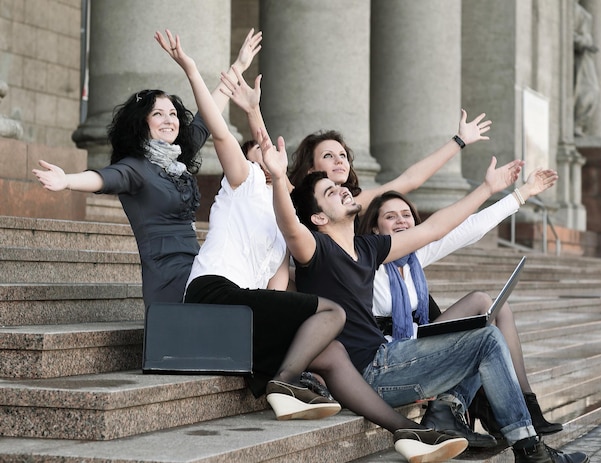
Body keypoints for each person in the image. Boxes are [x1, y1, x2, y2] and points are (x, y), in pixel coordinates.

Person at [177, 38, 472, 463]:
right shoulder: (242, 182)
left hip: (245, 310)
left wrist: (456, 143)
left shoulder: (294, 218)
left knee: (331, 349)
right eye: (260, 150)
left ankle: (407, 433)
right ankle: (285, 383)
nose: (266, 152)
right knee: (331, 312)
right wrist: (202, 73)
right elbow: (227, 132)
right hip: (213, 292)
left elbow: (278, 284)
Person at [257, 126, 588, 463]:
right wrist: (279, 176)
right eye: (330, 192)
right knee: (486, 339)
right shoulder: (316, 250)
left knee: (481, 329)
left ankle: (495, 432)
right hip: (370, 371)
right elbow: (290, 225)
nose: (342, 190)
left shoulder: (368, 248)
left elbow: (434, 228)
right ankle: (531, 452)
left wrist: (489, 189)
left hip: (389, 358)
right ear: (318, 216)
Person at [31, 29, 263, 309]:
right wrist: (66, 180)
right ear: (142, 124)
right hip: (169, 279)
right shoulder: (136, 168)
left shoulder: (178, 160)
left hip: (199, 266)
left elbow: (208, 114)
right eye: (158, 114)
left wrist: (238, 66)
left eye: (173, 114)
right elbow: (102, 178)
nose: (169, 120)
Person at [358, 183, 563, 446]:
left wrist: (519, 196)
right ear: (375, 228)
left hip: (414, 343)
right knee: (484, 337)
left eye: (406, 214)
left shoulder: (414, 258)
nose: (401, 220)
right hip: (391, 358)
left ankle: (525, 404)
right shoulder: (366, 261)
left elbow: (469, 229)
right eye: (390, 216)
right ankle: (493, 421)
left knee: (489, 308)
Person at [212, 61, 491, 216]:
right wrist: (252, 111)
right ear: (310, 169)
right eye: (328, 156)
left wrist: (459, 141)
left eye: (343, 156)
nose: (339, 161)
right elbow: (269, 148)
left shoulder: (356, 199)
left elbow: (409, 180)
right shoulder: (297, 195)